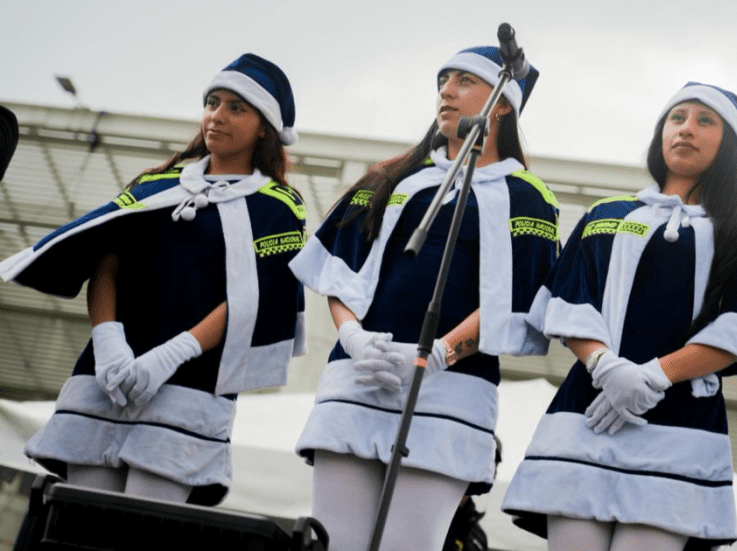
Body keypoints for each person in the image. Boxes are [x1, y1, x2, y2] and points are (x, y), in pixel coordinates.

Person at [0, 53, 306, 505]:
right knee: (79, 525)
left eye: (236, 108)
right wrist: (108, 342)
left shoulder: (280, 206)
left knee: (144, 529)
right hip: (107, 378)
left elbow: (256, 296)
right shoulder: (153, 185)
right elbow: (105, 263)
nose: (216, 116)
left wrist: (172, 355)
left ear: (266, 127)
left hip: (191, 386)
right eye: (212, 102)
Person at [288, 46, 556, 551]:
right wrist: (354, 338)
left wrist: (440, 354)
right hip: (360, 377)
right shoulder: (389, 178)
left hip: (449, 392)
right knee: (336, 544)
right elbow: (341, 275)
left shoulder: (528, 196)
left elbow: (519, 298)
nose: (447, 91)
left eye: (464, 81)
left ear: (502, 104)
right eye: (443, 81)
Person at [502, 82, 737, 551]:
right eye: (677, 118)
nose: (686, 129)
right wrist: (607, 369)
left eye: (705, 121)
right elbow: (569, 301)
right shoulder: (603, 214)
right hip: (587, 416)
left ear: (729, 146)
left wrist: (651, 377)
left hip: (679, 425)